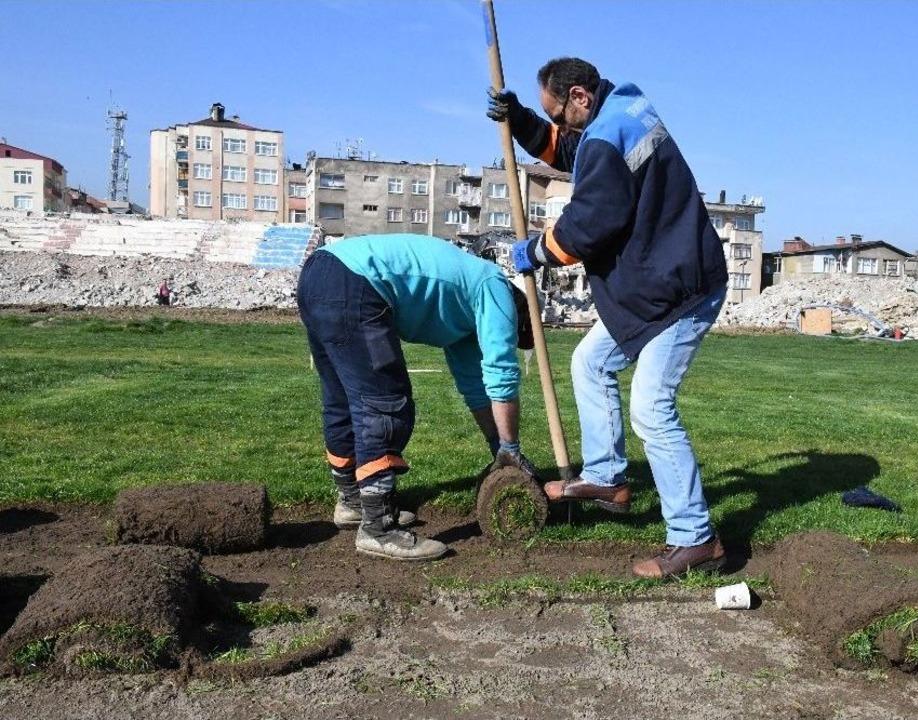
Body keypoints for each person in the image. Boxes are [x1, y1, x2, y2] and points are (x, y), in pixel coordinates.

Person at [488, 57, 729, 579]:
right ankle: (607, 476)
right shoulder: (622, 111)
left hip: (680, 291)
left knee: (651, 409)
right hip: (660, 282)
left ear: (579, 96)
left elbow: (589, 225)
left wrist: (534, 252)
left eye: (558, 112)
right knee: (590, 362)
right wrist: (523, 120)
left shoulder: (604, 136)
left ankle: (696, 539)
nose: (560, 124)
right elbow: (571, 149)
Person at [297, 233, 537, 561]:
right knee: (384, 402)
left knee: (342, 402)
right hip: (354, 282)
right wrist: (511, 449)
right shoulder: (495, 288)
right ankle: (378, 528)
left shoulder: (465, 311)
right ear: (520, 315)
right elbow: (501, 373)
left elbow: (477, 389)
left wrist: (499, 448)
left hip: (320, 274)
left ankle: (353, 502)